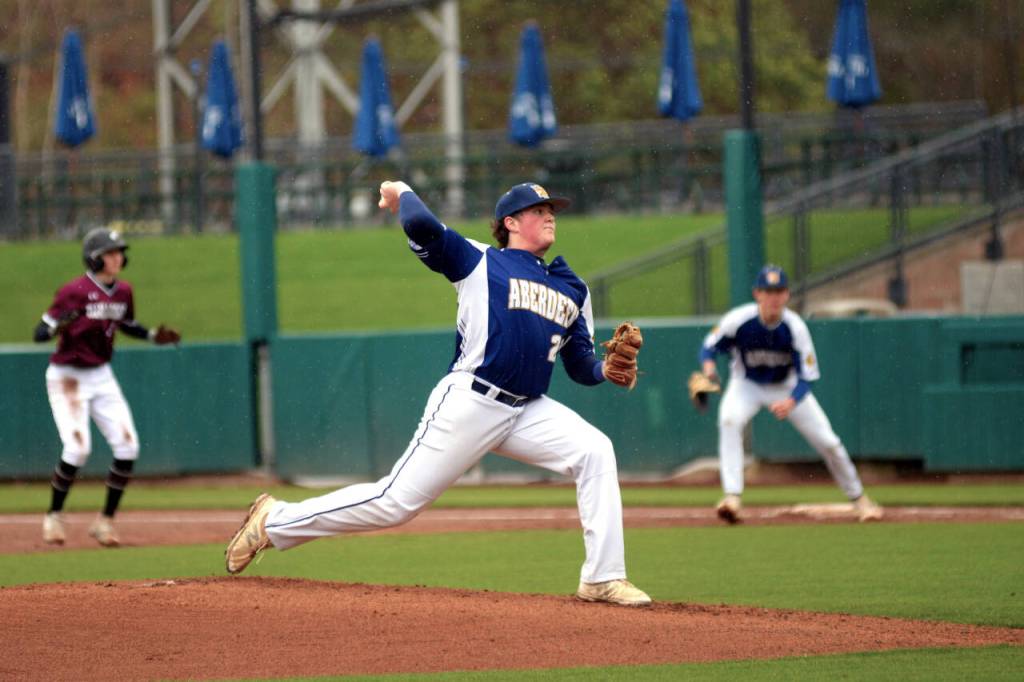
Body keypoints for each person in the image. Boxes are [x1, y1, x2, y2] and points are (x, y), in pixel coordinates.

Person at [225, 181, 652, 606]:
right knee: (395, 503)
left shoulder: (573, 287)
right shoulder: (480, 261)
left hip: (528, 410)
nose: (549, 215)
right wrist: (401, 190)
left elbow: (580, 365)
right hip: (472, 400)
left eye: (551, 208)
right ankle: (274, 520)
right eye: (538, 209)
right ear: (511, 222)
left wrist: (606, 371)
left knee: (596, 450)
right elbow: (421, 224)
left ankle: (603, 577)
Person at [697, 264, 882, 524]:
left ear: (786, 295)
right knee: (729, 420)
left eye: (779, 291)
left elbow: (807, 377)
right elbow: (708, 347)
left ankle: (860, 499)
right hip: (746, 385)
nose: (773, 297)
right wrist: (708, 366)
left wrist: (792, 401)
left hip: (787, 386)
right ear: (757, 294)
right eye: (768, 291)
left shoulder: (795, 327)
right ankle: (732, 498)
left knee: (829, 442)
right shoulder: (739, 320)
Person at [35, 228, 181, 547]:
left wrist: (153, 335)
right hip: (68, 376)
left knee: (128, 446)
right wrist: (57, 326)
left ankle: (105, 522)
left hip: (101, 374)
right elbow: (40, 332)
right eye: (110, 252)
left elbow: (127, 323)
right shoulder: (73, 291)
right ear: (94, 257)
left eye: (119, 252)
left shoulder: (124, 291)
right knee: (78, 448)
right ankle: (54, 516)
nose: (117, 257)